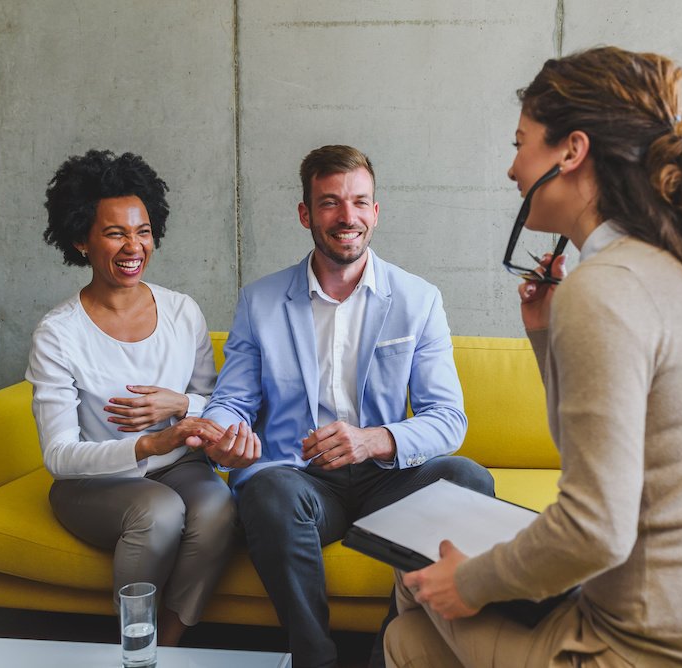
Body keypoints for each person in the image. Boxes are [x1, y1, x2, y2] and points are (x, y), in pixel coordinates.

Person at [384, 46, 682, 668]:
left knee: (414, 579)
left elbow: (594, 530)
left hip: (651, 649)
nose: (511, 169)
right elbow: (606, 456)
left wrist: (469, 583)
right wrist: (545, 331)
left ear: (571, 152)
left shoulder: (605, 286)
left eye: (520, 143)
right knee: (409, 640)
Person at [202, 144, 495, 668]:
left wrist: (374, 440)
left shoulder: (418, 299)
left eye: (360, 202)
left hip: (387, 481)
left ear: (375, 212)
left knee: (468, 479)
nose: (347, 217)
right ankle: (313, 658)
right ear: (306, 214)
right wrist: (223, 435)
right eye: (331, 202)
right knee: (266, 489)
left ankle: (387, 650)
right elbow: (232, 399)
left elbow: (448, 418)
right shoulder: (260, 301)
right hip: (301, 480)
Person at [26, 149, 258, 647]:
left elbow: (213, 401)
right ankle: (135, 643)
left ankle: (162, 647)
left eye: (143, 230)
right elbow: (60, 455)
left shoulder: (182, 312)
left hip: (183, 467)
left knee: (218, 505)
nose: (134, 245)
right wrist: (150, 445)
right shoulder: (58, 333)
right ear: (80, 240)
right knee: (159, 511)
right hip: (93, 481)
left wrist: (180, 407)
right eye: (115, 232)